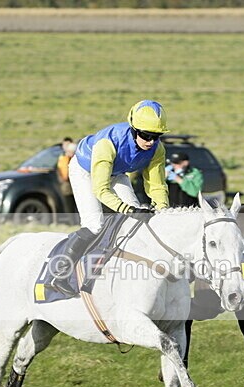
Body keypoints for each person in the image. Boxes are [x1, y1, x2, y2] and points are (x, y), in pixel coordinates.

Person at [53, 100, 171, 295]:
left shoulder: (157, 150)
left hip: (116, 173)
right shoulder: (108, 143)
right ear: (134, 129)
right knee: (95, 224)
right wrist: (128, 209)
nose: (150, 141)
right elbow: (100, 190)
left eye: (156, 136)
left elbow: (157, 185)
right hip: (85, 171)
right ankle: (61, 273)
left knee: (137, 222)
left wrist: (162, 210)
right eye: (145, 135)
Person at [56, 139, 78, 220]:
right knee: (68, 205)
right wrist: (61, 180)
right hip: (67, 185)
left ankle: (75, 221)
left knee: (76, 205)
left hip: (75, 185)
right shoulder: (63, 159)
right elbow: (59, 170)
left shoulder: (75, 160)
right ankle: (72, 221)